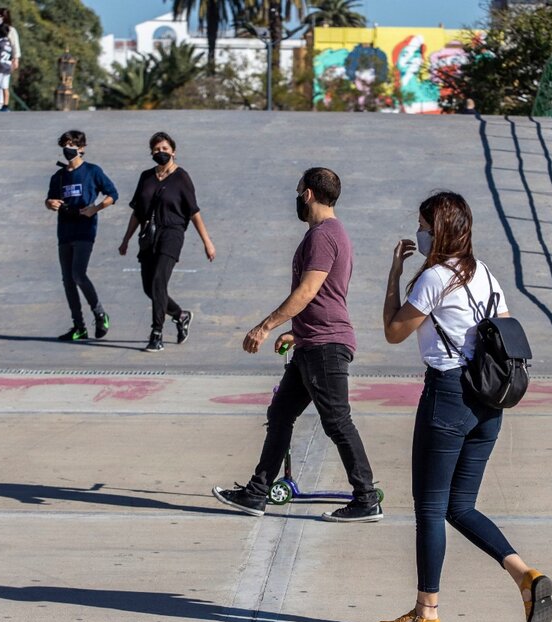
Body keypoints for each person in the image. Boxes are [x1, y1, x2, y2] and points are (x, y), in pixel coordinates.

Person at [376, 191, 552, 622]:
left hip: (449, 395)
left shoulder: (435, 277)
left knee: (432, 508)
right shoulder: (486, 275)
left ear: (436, 230)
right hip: (489, 403)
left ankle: (425, 612)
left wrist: (396, 272)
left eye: (422, 223)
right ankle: (525, 576)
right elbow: (505, 330)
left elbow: (394, 331)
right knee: (461, 506)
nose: (418, 230)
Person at [212, 167, 382, 522]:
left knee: (337, 421)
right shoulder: (330, 233)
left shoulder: (323, 235)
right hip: (311, 341)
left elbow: (307, 291)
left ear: (307, 194)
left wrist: (266, 326)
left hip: (325, 344)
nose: (296, 197)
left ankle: (366, 499)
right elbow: (326, 295)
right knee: (281, 415)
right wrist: (297, 331)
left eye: (298, 191)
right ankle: (256, 494)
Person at [119, 131, 215, 352]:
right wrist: (126, 239)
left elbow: (194, 212)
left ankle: (156, 333)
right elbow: (137, 212)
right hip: (148, 236)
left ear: (173, 151)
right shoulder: (146, 177)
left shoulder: (181, 177)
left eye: (164, 149)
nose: (160, 152)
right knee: (149, 288)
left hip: (172, 234)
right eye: (156, 149)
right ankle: (181, 315)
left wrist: (207, 242)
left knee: (158, 282)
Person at [45, 130, 119, 341]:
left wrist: (95, 209)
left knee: (78, 273)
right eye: (65, 145)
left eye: (72, 145)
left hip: (85, 230)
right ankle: (79, 326)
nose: (68, 149)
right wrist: (51, 204)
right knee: (68, 280)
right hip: (64, 231)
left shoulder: (92, 171)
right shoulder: (59, 176)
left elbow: (113, 194)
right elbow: (50, 200)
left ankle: (100, 313)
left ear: (82, 148)